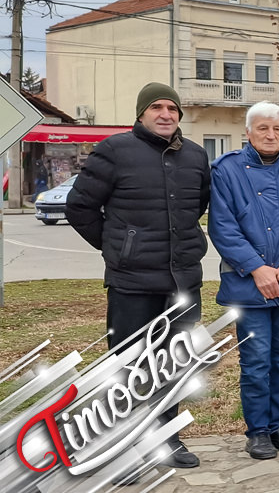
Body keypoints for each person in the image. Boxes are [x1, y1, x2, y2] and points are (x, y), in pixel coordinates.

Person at [65, 82, 210, 468]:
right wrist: (119, 247)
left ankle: (169, 439)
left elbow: (197, 205)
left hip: (182, 283)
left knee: (175, 365)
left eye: (172, 109)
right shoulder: (114, 151)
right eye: (157, 107)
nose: (166, 114)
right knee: (128, 368)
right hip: (132, 285)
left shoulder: (195, 156)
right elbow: (79, 207)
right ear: (141, 113)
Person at [209, 102, 279, 458]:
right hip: (249, 286)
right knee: (256, 360)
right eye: (262, 128)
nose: (270, 135)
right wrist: (257, 268)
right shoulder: (226, 171)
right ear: (248, 132)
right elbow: (223, 227)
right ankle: (257, 430)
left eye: (276, 128)